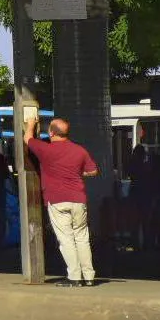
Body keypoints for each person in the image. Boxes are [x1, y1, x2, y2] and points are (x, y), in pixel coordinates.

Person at [25, 115, 100, 286]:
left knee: (66, 239)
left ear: (51, 132)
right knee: (82, 237)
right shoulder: (79, 150)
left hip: (57, 199)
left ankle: (74, 277)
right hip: (78, 199)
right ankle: (89, 276)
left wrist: (30, 124)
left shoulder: (46, 150)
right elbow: (93, 171)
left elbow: (27, 139)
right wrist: (78, 174)